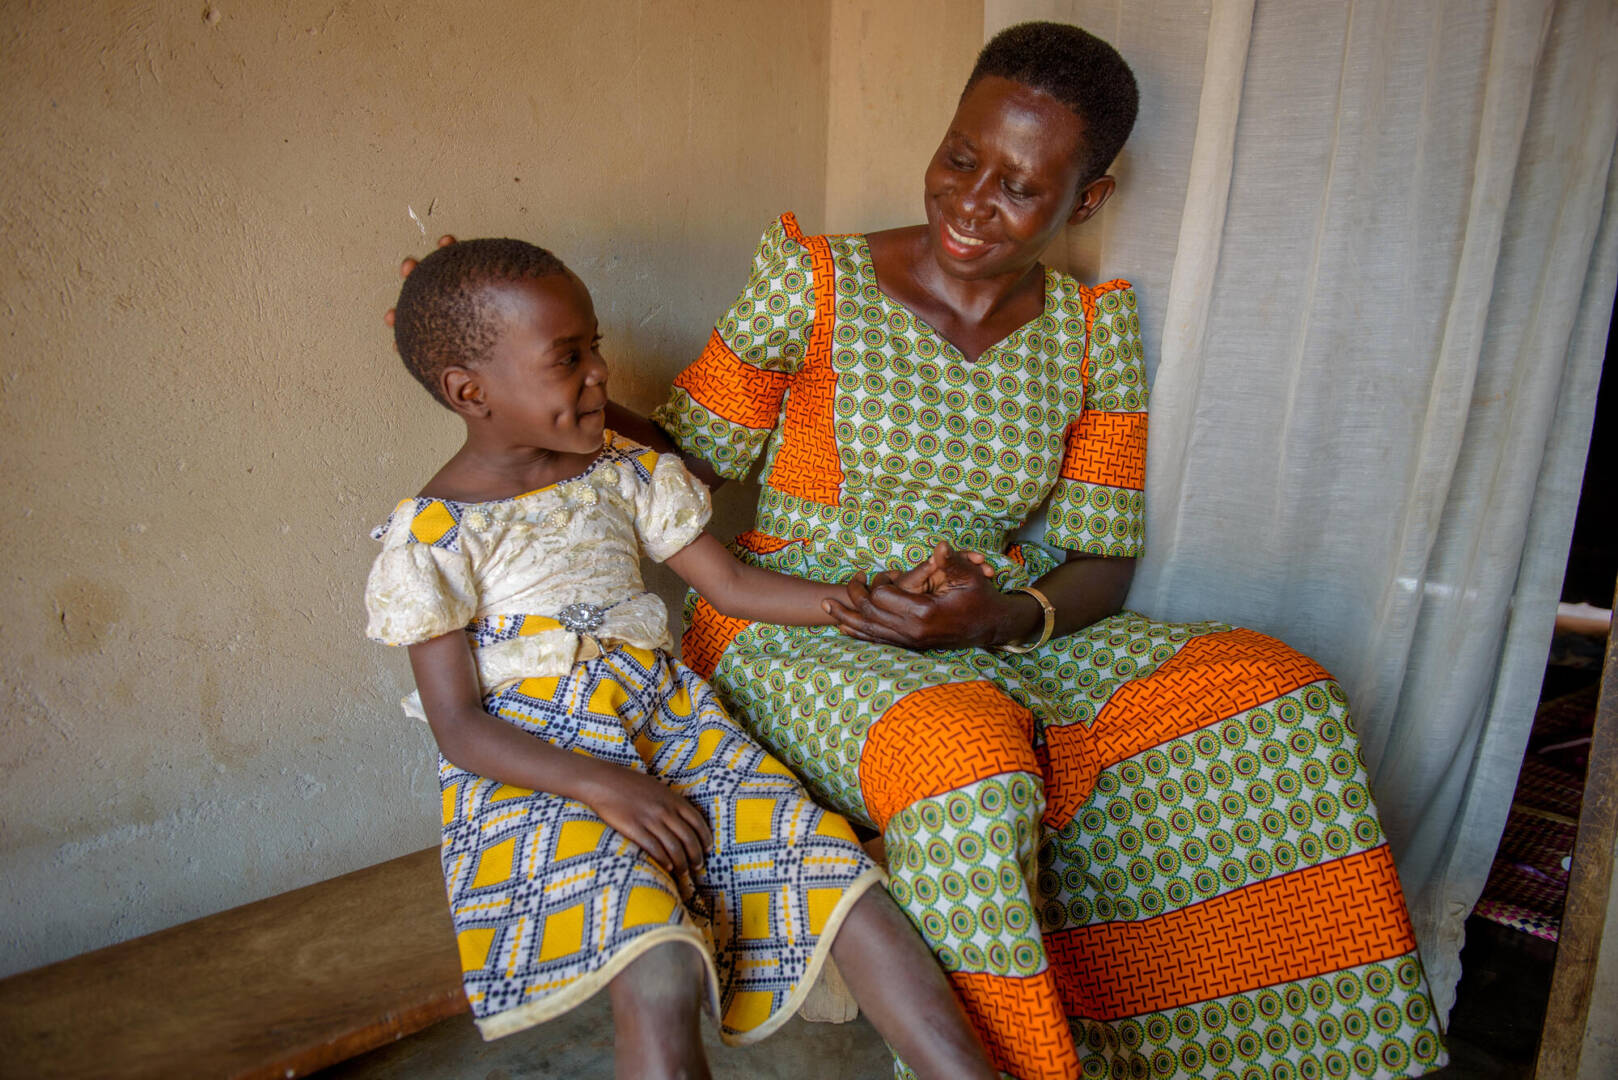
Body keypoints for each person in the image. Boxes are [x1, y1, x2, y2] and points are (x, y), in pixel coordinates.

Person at [618, 21, 1449, 1080]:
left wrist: (999, 617)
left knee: (1277, 693)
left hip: (994, 632)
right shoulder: (818, 285)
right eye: (961, 156)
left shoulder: (1090, 333)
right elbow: (686, 461)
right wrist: (544, 387)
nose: (971, 199)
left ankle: (1256, 1058)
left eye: (1018, 185)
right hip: (790, 624)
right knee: (971, 767)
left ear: (1085, 201)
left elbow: (1099, 563)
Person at [364, 238, 998, 1080]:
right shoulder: (433, 536)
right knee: (659, 965)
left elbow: (732, 584)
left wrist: (875, 599)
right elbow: (458, 727)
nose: (599, 374)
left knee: (850, 893)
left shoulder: (623, 472)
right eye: (568, 358)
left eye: (594, 347)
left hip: (674, 731)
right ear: (468, 392)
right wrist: (604, 784)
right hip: (536, 771)